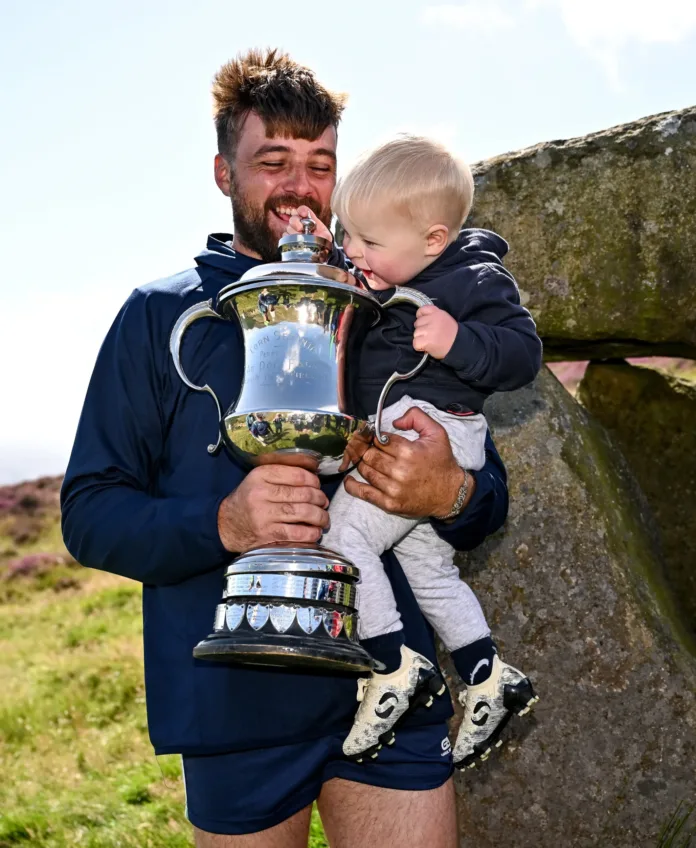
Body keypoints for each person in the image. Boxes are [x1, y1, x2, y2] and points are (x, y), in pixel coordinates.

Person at [61, 48, 511, 847]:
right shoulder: (158, 318)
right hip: (236, 704)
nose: (301, 187)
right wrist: (223, 524)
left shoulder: (389, 300)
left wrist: (448, 492)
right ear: (222, 173)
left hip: (390, 691)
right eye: (273, 162)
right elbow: (90, 515)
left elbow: (486, 502)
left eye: (320, 164)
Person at [286, 135, 542, 769]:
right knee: (430, 569)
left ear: (432, 240)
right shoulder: (388, 270)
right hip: (400, 428)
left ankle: (391, 666)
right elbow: (349, 279)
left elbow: (522, 354)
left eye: (369, 243)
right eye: (349, 234)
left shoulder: (469, 278)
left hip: (434, 432)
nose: (355, 252)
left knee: (345, 539)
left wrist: (460, 340)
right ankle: (488, 677)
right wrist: (326, 245)